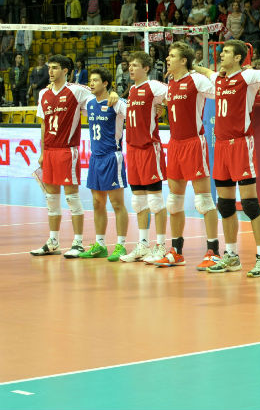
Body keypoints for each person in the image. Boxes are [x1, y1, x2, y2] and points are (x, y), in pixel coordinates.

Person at [195, 40, 260, 277]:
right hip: (220, 146)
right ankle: (231, 255)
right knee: (225, 204)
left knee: (250, 204)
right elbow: (207, 72)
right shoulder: (219, 79)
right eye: (222, 52)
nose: (222, 55)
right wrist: (193, 67)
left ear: (239, 58)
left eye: (227, 52)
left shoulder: (248, 76)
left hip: (240, 144)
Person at [141, 42, 220, 268]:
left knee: (204, 201)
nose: (168, 59)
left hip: (194, 142)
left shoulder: (196, 80)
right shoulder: (170, 84)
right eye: (168, 55)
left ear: (184, 60)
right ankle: (176, 251)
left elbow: (220, 90)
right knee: (174, 203)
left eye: (172, 56)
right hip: (175, 145)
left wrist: (205, 70)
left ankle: (213, 251)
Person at [30, 55, 98, 258]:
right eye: (49, 67)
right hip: (50, 152)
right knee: (51, 199)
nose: (50, 71)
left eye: (55, 68)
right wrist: (42, 151)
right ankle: (53, 241)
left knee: (72, 197)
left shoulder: (77, 90)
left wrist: (112, 96)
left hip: (67, 151)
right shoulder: (43, 93)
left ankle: (78, 242)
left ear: (66, 70)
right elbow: (43, 124)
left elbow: (99, 97)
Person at [117, 52, 169, 264]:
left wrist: (162, 107)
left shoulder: (153, 86)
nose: (130, 68)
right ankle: (143, 245)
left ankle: (161, 245)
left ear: (146, 68)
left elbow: (173, 97)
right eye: (129, 65)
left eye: (135, 65)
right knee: (138, 202)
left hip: (149, 148)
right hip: (133, 149)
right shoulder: (132, 90)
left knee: (155, 201)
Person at [77, 68, 128, 261]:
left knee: (117, 203)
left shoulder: (117, 103)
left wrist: (118, 96)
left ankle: (121, 245)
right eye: (90, 80)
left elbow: (134, 113)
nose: (91, 83)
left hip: (111, 157)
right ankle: (100, 244)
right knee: (97, 203)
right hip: (95, 158)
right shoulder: (89, 103)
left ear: (105, 83)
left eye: (95, 80)